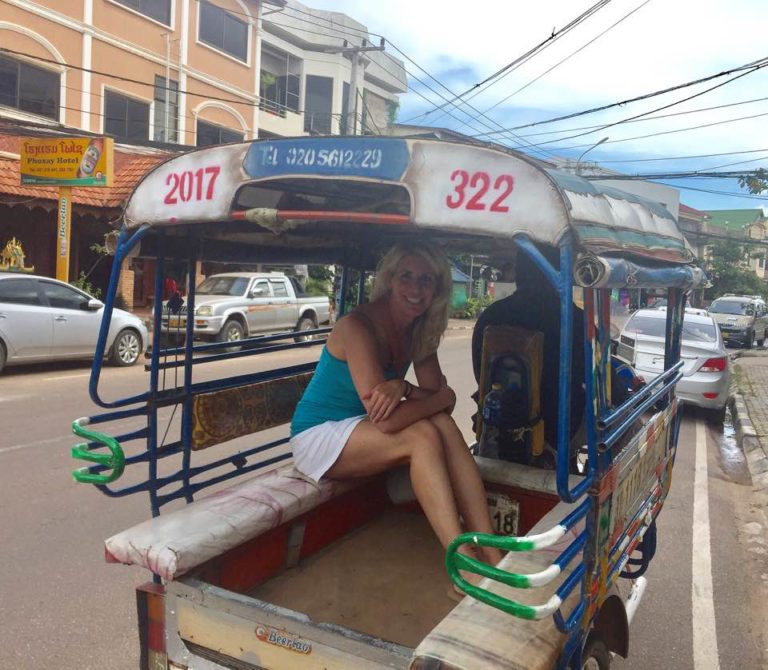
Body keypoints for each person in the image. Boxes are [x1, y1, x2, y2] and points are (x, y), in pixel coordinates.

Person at [290, 242, 502, 570]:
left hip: (363, 428)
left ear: (437, 289)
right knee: (420, 436)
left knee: (441, 426)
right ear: (389, 280)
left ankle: (490, 550)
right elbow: (393, 418)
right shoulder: (357, 327)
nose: (415, 289)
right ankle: (463, 563)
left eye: (426, 280)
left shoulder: (419, 328)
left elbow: (438, 405)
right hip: (320, 434)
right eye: (406, 276)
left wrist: (405, 388)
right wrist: (437, 398)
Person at [472, 244, 586, 451]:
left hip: (495, 422)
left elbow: (479, 374)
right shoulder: (575, 319)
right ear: (562, 274)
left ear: (518, 273)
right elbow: (594, 376)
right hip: (560, 429)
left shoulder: (490, 316)